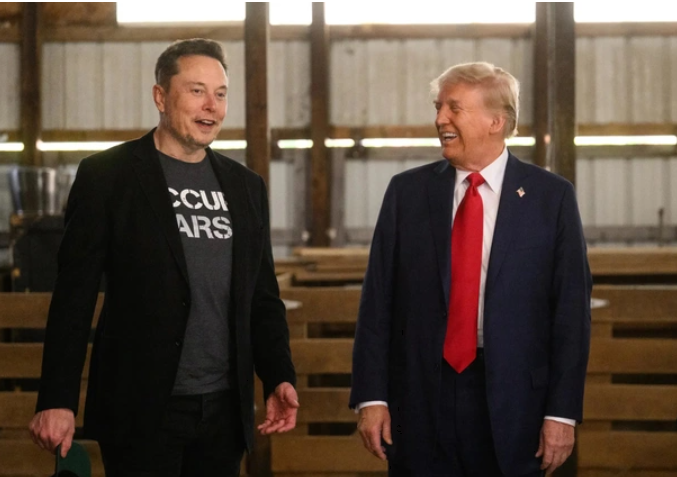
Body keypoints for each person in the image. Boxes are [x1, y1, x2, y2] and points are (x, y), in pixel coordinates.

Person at [29, 38, 298, 477]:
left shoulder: (246, 186)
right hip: (140, 408)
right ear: (160, 96)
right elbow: (73, 296)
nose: (211, 105)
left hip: (224, 411)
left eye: (221, 93)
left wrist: (278, 374)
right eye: (196, 90)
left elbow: (262, 295)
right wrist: (57, 399)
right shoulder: (107, 177)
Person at [350, 62, 591, 476]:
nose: (440, 119)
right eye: (438, 107)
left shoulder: (551, 198)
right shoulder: (407, 193)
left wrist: (562, 413)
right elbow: (377, 303)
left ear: (496, 121)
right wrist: (371, 397)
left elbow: (571, 314)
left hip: (518, 405)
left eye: (454, 108)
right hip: (420, 400)